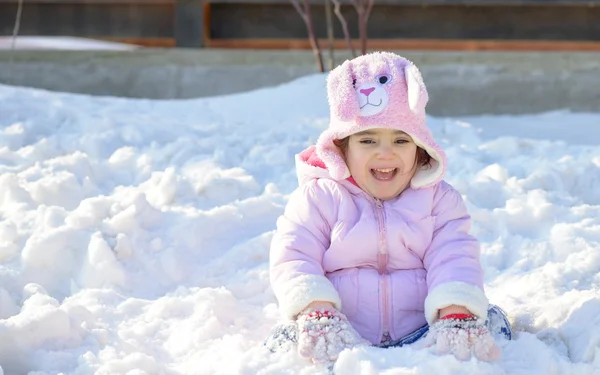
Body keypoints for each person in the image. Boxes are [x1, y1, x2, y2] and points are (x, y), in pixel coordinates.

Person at [265, 52, 512, 365]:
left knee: (488, 321)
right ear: (341, 148)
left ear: (420, 149)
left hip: (422, 333)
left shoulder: (438, 200)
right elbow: (294, 255)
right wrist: (316, 308)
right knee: (286, 343)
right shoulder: (320, 197)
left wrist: (455, 311)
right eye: (368, 141)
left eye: (400, 141)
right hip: (340, 333)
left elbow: (455, 255)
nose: (385, 153)